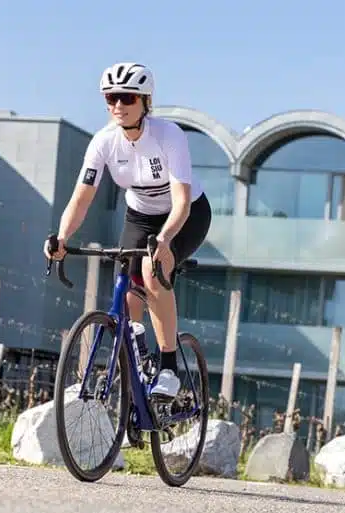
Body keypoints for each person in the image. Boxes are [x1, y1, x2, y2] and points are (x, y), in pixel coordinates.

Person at [43, 62, 212, 401]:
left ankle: (168, 369)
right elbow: (82, 197)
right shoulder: (103, 142)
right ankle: (136, 354)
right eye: (111, 98)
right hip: (140, 215)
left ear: (145, 102)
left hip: (186, 214)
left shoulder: (168, 136)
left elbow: (181, 202)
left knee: (152, 269)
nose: (118, 105)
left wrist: (164, 241)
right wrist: (61, 237)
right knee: (127, 283)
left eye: (127, 97)